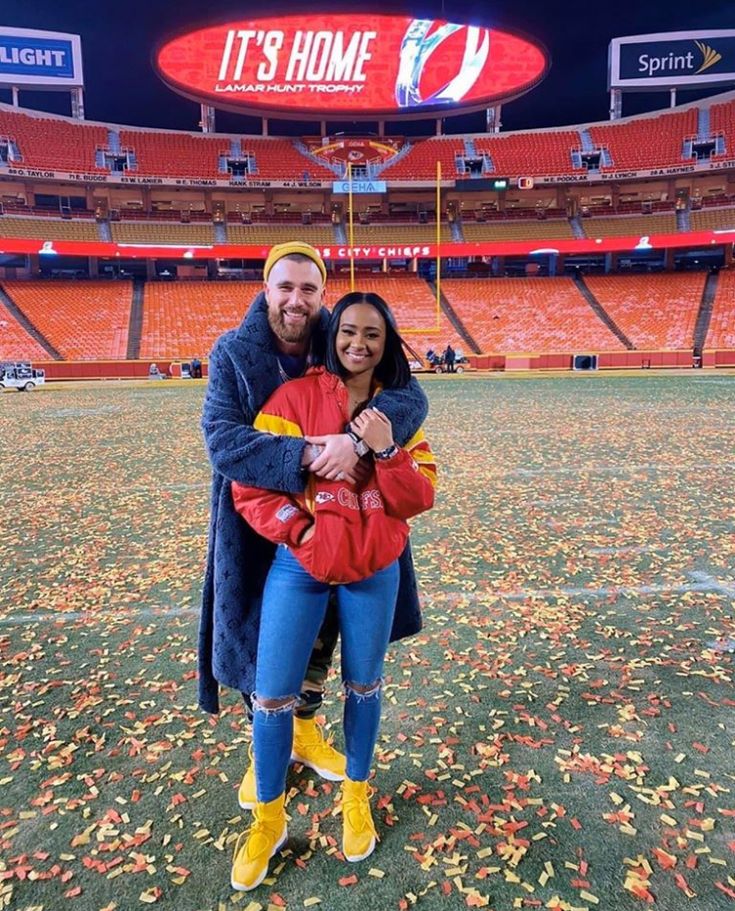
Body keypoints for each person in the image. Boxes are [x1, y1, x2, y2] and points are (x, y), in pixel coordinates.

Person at [199, 242, 428, 809]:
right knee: (263, 638)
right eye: (285, 287)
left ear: (321, 294)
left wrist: (357, 443)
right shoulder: (234, 351)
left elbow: (408, 396)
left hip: (352, 521)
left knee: (327, 636)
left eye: (308, 289)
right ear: (266, 290)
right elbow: (222, 440)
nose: (296, 300)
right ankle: (268, 752)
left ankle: (306, 731)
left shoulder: (343, 335)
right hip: (259, 518)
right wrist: (308, 454)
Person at [229, 292, 436, 891]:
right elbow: (251, 485)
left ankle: (356, 796)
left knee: (364, 687)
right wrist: (301, 530)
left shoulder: (395, 410)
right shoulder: (293, 398)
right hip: (302, 566)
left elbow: (419, 496)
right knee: (272, 697)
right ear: (332, 334)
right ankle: (268, 820)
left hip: (375, 569)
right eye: (348, 331)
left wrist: (387, 448)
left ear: (386, 342)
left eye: (372, 334)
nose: (358, 344)